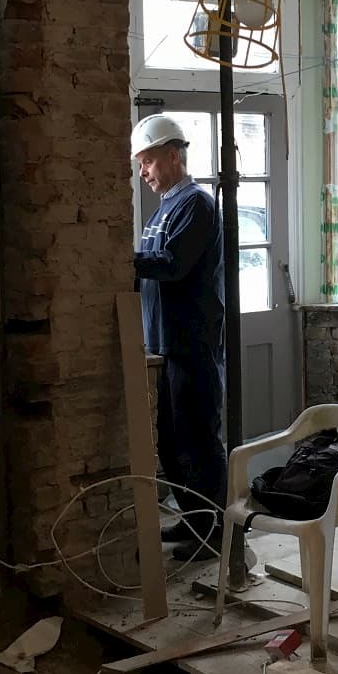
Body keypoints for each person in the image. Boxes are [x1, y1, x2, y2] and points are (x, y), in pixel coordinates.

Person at [131, 114, 227, 560]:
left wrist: (123, 258)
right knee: (172, 444)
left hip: (192, 344)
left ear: (173, 157)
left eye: (148, 162)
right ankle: (194, 522)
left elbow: (172, 264)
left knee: (197, 441)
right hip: (167, 345)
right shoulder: (166, 205)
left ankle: (214, 534)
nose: (143, 172)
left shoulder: (196, 204)